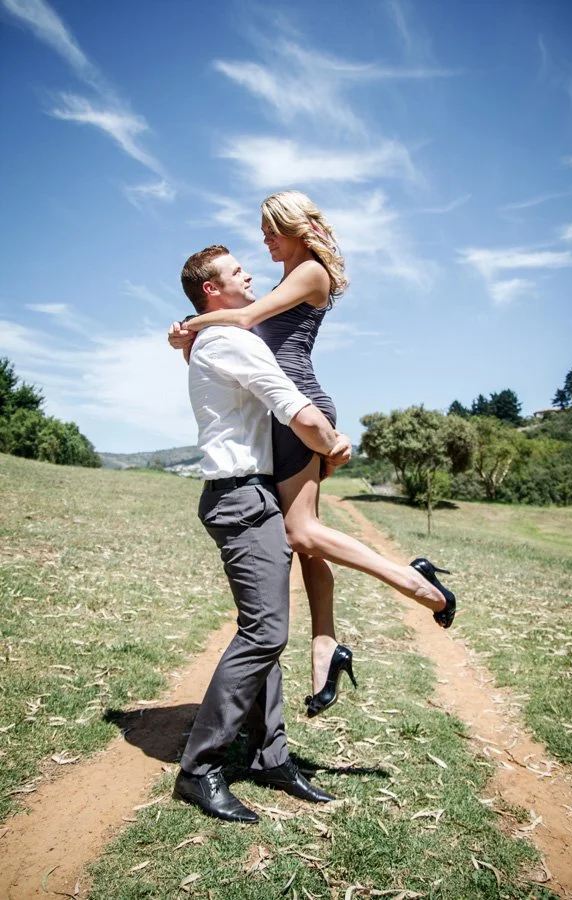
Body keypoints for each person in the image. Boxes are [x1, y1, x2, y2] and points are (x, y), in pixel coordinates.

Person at [169, 192, 455, 718]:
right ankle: (325, 647)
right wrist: (187, 336)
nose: (264, 241)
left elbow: (246, 318)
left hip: (299, 408)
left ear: (296, 228)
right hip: (280, 412)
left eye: (270, 230)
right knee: (308, 539)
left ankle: (415, 581)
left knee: (300, 532)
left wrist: (190, 326)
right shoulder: (287, 278)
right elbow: (240, 331)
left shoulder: (312, 273)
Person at [173, 245, 353, 823]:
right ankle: (199, 770)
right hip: (240, 496)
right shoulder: (231, 339)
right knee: (265, 633)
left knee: (266, 630)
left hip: (251, 494)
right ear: (211, 290)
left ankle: (272, 757)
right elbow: (293, 409)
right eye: (236, 272)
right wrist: (333, 444)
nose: (250, 273)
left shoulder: (212, 341)